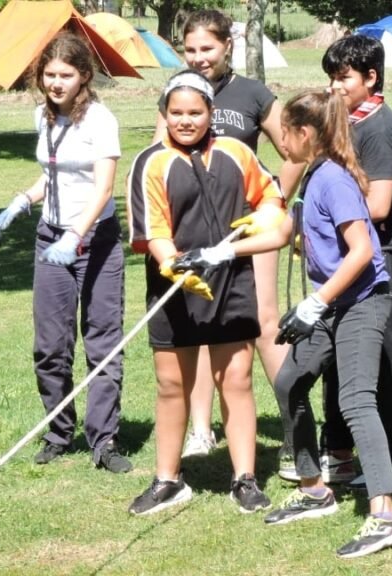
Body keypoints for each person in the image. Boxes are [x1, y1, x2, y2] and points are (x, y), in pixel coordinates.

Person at [176, 88, 392, 558]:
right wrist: (222, 252)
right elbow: (282, 231)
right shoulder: (314, 174)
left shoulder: (334, 180)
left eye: (284, 132)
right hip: (333, 303)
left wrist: (314, 303)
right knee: (290, 381)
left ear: (306, 134)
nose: (280, 141)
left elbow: (363, 251)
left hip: (362, 301)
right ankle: (314, 489)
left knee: (355, 399)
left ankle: (386, 515)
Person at [126, 69, 284, 515]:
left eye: (195, 112)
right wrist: (171, 261)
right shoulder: (150, 162)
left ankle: (245, 478)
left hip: (233, 281)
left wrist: (264, 216)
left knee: (235, 379)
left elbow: (271, 196)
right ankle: (167, 479)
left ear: (211, 113)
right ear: (164, 114)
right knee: (171, 383)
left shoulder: (236, 152)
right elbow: (153, 230)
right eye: (176, 113)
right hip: (174, 282)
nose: (186, 121)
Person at [151, 9, 304, 459]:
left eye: (207, 48)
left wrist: (270, 204)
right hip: (192, 232)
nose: (198, 58)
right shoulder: (177, 94)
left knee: (264, 325)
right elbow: (159, 157)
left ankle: (295, 429)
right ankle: (201, 430)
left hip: (247, 233)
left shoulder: (253, 93)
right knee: (195, 327)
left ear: (227, 46)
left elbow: (296, 148)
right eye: (190, 49)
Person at [0, 32, 130, 474]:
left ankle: (104, 439)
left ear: (84, 77)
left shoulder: (100, 121)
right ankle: (58, 430)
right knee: (50, 346)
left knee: (103, 343)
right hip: (50, 238)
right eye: (49, 74)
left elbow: (103, 187)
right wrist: (22, 200)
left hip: (97, 241)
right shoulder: (43, 117)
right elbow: (50, 178)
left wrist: (77, 236)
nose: (55, 82)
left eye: (65, 75)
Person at [316, 34, 392, 488]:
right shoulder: (350, 122)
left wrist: (329, 203)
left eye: (343, 78)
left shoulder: (378, 129)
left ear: (371, 78)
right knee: (344, 352)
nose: (334, 87)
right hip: (362, 251)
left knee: (384, 352)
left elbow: (378, 206)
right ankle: (341, 451)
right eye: (331, 78)